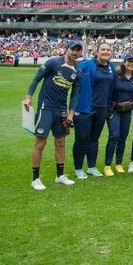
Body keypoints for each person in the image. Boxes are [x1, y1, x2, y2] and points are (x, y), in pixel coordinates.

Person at [24, 40, 82, 190]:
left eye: (78, 50)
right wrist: (29, 97)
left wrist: (70, 115)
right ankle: (35, 179)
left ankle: (60, 176)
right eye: (73, 49)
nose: (75, 53)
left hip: (61, 110)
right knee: (40, 143)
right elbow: (36, 79)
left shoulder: (78, 71)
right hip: (46, 108)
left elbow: (75, 95)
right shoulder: (53, 63)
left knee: (61, 143)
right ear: (66, 49)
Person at [73, 42, 116, 179]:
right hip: (86, 108)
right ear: (96, 52)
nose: (105, 52)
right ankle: (78, 168)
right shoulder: (87, 64)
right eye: (103, 49)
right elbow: (74, 81)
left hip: (102, 108)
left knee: (94, 138)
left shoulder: (111, 67)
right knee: (82, 138)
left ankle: (91, 166)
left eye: (108, 50)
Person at [104, 54, 133, 177]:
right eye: (129, 61)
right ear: (124, 62)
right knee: (114, 136)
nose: (131, 64)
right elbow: (108, 91)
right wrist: (109, 109)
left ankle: (119, 163)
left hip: (127, 111)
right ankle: (107, 165)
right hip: (115, 110)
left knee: (123, 137)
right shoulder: (116, 75)